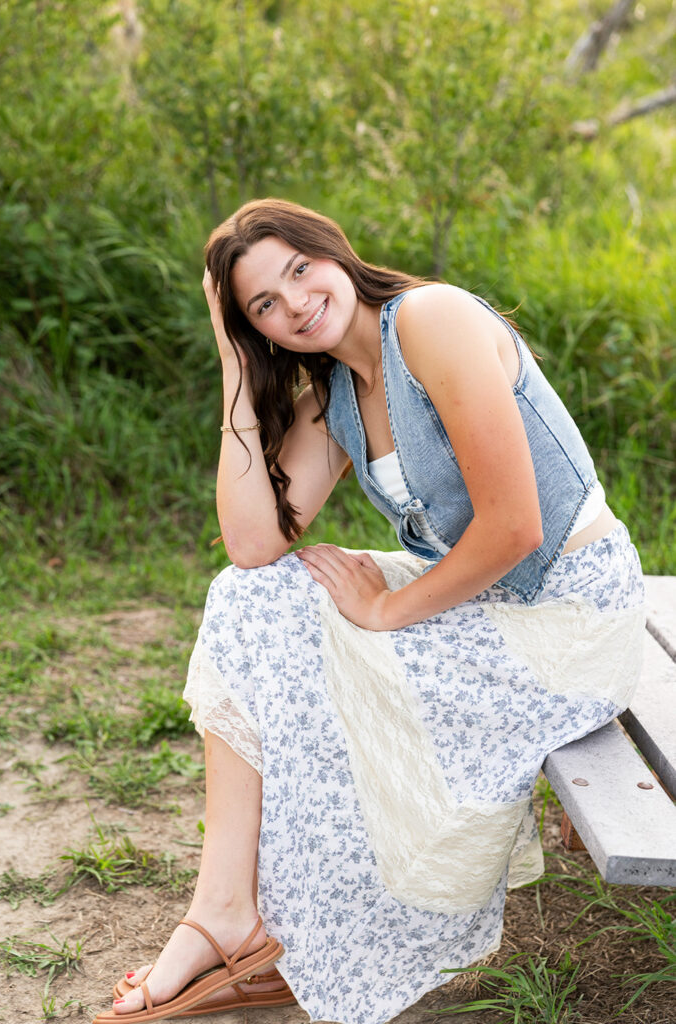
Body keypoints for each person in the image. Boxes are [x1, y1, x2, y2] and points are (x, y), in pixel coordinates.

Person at [93, 199, 645, 1024]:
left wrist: (387, 612)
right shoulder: (336, 393)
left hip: (567, 614)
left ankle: (248, 917)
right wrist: (235, 370)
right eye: (263, 308)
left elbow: (514, 526)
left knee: (312, 634)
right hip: (478, 601)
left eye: (298, 270)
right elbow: (250, 542)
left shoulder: (432, 319)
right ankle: (225, 912)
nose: (295, 303)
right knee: (251, 600)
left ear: (332, 252)